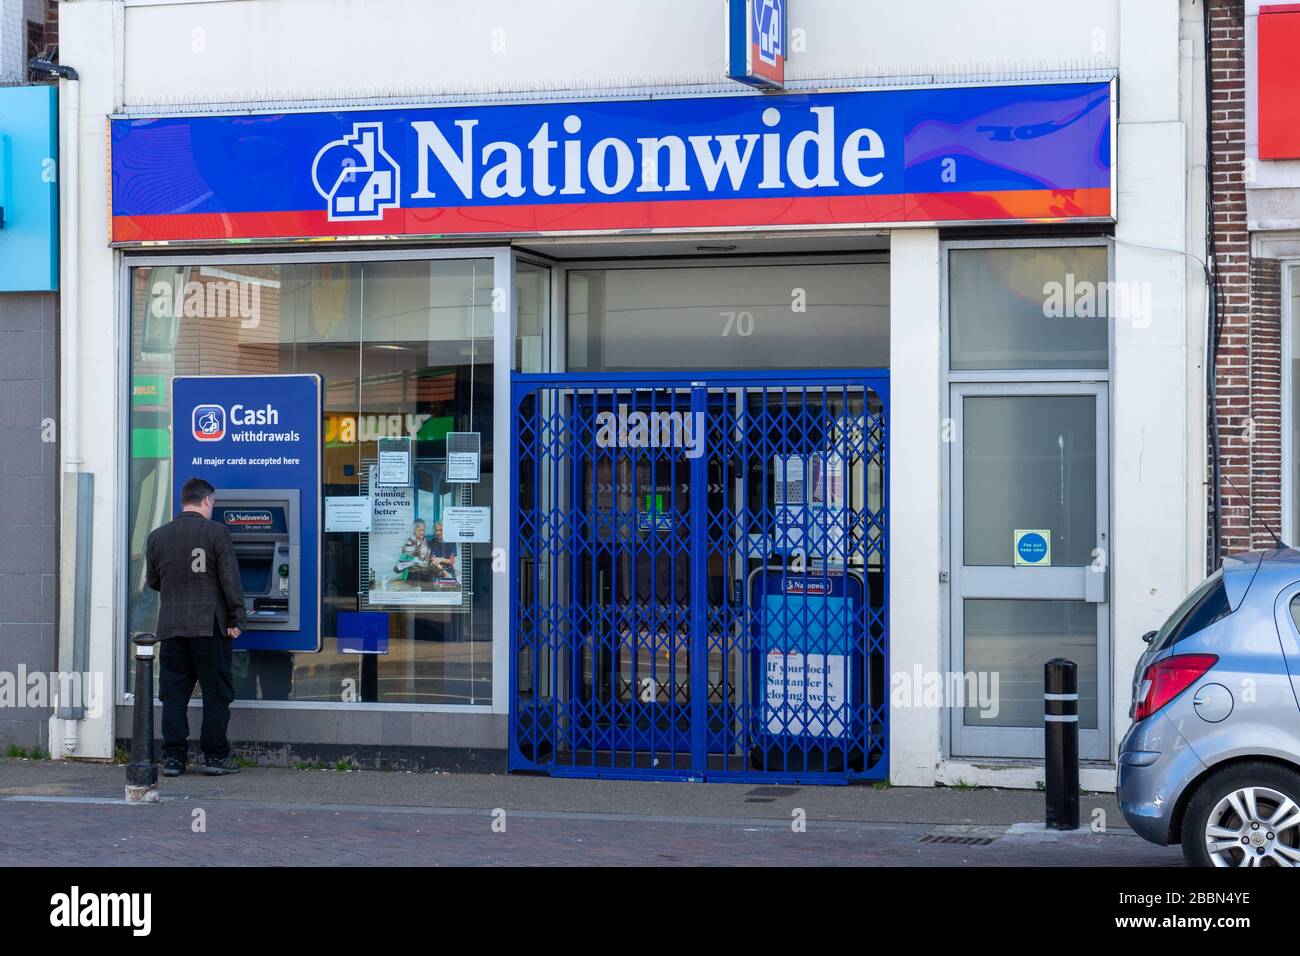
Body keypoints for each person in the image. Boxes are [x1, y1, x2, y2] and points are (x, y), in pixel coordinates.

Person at [145, 476, 246, 776]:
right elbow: (230, 581)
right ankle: (215, 757)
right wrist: (237, 619)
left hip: (172, 629)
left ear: (182, 502)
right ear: (205, 501)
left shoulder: (158, 536)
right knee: (216, 693)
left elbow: (153, 581)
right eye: (212, 503)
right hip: (209, 628)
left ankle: (174, 759)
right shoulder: (217, 532)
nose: (212, 508)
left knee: (173, 695)